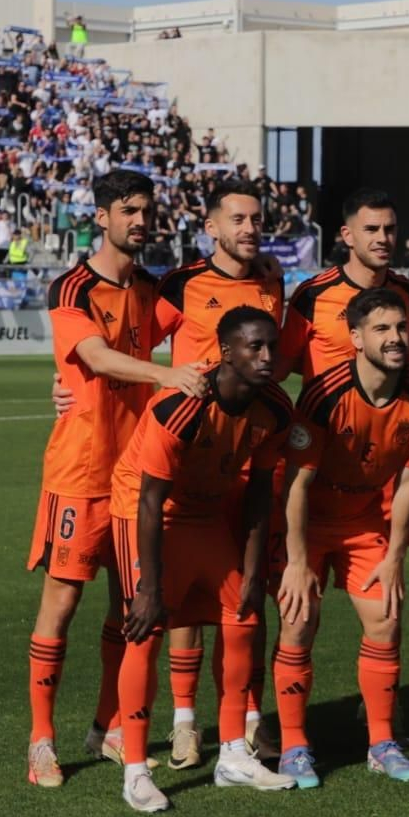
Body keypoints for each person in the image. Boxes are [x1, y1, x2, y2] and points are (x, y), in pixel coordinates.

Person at [23, 170, 209, 789]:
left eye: (146, 210)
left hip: (137, 477)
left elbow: (189, 331)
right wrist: (164, 377)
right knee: (63, 602)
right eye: (128, 210)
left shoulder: (154, 290)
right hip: (79, 471)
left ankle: (105, 728)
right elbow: (96, 357)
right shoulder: (72, 286)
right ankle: (41, 742)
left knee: (129, 609)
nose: (140, 220)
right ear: (100, 217)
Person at [110, 308, 297, 811]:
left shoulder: (276, 408)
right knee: (143, 630)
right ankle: (133, 770)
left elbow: (260, 494)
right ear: (226, 352)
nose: (267, 357)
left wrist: (255, 573)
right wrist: (149, 587)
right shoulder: (182, 407)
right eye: (254, 347)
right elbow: (150, 500)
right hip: (151, 513)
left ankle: (234, 754)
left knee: (243, 616)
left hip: (208, 514)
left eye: (272, 347)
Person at [271, 288, 409, 788]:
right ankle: (293, 746)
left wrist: (394, 554)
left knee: (386, 619)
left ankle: (381, 742)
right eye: (382, 329)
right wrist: (299, 562)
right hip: (308, 523)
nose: (394, 338)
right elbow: (297, 484)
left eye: (400, 328)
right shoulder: (324, 394)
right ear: (355, 337)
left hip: (366, 522)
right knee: (299, 621)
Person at [144, 178, 286, 767]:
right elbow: (134, 342)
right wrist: (69, 385)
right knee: (191, 600)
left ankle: (249, 718)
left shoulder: (275, 281)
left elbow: (287, 354)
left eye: (256, 218)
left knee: (251, 591)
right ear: (212, 227)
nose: (249, 228)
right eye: (237, 219)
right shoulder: (179, 284)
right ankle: (184, 722)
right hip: (193, 457)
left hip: (251, 453)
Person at [278, 188, 409, 381]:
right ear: (347, 235)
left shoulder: (404, 290)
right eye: (371, 229)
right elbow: (281, 367)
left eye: (390, 229)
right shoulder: (313, 294)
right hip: (327, 411)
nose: (383, 239)